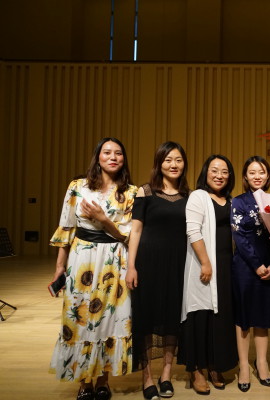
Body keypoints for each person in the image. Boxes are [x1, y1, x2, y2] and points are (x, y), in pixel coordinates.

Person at [49, 138, 137, 400]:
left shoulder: (131, 192)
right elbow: (66, 227)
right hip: (82, 258)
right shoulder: (78, 187)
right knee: (81, 316)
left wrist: (103, 219)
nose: (113, 157)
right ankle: (83, 381)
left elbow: (128, 234)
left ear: (123, 159)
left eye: (118, 153)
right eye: (107, 152)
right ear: (98, 157)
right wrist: (59, 267)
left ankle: (102, 381)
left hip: (114, 259)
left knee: (109, 318)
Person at [126, 142, 189, 400]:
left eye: (178, 160)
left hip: (179, 264)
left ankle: (166, 374)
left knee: (172, 317)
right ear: (159, 163)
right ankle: (147, 377)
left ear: (184, 164)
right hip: (148, 263)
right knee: (146, 318)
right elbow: (136, 230)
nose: (173, 164)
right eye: (168, 159)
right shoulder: (145, 191)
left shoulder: (189, 196)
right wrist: (131, 266)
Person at [177, 154, 239, 395]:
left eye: (224, 171)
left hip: (225, 266)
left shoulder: (231, 201)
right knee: (200, 316)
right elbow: (193, 231)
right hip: (203, 265)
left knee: (220, 317)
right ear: (206, 173)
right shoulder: (198, 196)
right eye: (214, 170)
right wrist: (205, 263)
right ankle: (197, 370)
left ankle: (215, 365)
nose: (219, 175)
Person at [230, 155, 270, 392]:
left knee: (262, 317)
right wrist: (257, 264)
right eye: (252, 172)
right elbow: (239, 237)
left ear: (268, 176)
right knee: (243, 319)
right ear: (245, 177)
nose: (257, 176)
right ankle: (244, 366)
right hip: (244, 267)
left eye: (261, 172)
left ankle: (262, 363)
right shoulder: (238, 202)